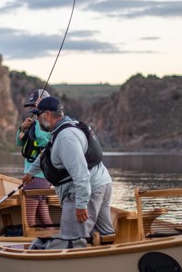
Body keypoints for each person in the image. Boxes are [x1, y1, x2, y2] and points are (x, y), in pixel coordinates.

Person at [22, 96, 114, 241]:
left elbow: (81, 172)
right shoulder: (65, 128)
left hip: (85, 191)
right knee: (105, 237)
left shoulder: (65, 137)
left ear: (47, 114)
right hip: (101, 184)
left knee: (72, 240)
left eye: (38, 115)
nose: (37, 120)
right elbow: (47, 153)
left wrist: (81, 204)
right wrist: (30, 173)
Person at [17, 89, 54, 229]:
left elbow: (41, 138)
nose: (32, 109)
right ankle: (51, 239)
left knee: (29, 216)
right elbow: (19, 142)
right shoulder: (33, 123)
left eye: (34, 106)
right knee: (42, 213)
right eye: (31, 106)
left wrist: (37, 119)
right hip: (38, 177)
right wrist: (22, 128)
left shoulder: (47, 124)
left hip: (37, 176)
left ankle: (32, 245)